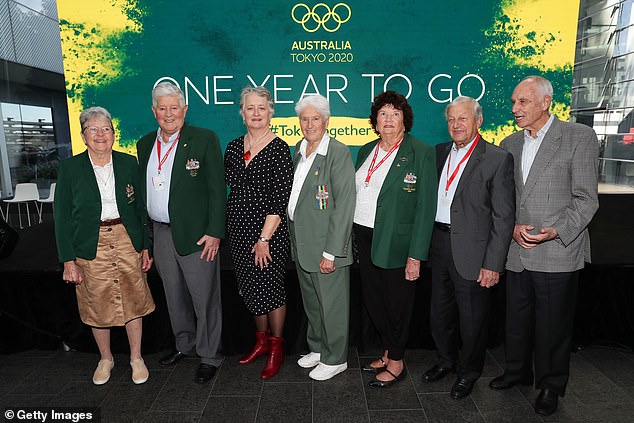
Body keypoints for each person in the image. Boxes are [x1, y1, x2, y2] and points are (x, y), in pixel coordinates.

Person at [490, 76, 599, 416]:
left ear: (545, 103)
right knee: (516, 320)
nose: (514, 109)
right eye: (513, 102)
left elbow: (586, 200)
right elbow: (504, 199)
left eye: (522, 102)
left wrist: (554, 231)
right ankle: (517, 372)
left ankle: (551, 386)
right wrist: (511, 229)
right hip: (517, 250)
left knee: (553, 326)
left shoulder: (578, 137)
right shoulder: (509, 143)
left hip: (557, 250)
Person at [55, 106, 155, 386]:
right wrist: (68, 260)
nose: (101, 135)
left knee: (134, 299)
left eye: (106, 129)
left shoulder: (128, 163)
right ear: (83, 135)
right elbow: (61, 217)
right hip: (90, 243)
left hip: (127, 237)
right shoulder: (70, 168)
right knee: (96, 301)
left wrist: (145, 245)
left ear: (114, 134)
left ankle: (136, 358)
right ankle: (106, 359)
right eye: (94, 129)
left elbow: (140, 209)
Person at [423, 96, 515, 399]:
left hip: (474, 252)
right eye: (451, 120)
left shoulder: (496, 158)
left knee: (472, 319)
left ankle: (470, 371)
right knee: (440, 313)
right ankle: (445, 361)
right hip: (438, 243)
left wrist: (493, 264)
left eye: (462, 119)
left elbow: (503, 218)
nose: (455, 125)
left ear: (478, 121)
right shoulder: (438, 153)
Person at [136, 82, 226, 384]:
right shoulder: (145, 143)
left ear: (185, 109)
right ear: (153, 111)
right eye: (162, 108)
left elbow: (217, 190)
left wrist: (215, 232)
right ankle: (184, 346)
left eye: (174, 107)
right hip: (161, 232)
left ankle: (210, 354)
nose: (168, 113)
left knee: (205, 298)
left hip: (199, 234)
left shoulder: (204, 139)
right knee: (173, 297)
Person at [353, 90, 436, 387]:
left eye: (395, 114)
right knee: (375, 302)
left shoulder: (420, 152)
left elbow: (426, 209)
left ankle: (397, 361)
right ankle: (388, 350)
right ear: (375, 121)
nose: (388, 119)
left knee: (397, 304)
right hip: (365, 238)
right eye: (383, 114)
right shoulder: (366, 151)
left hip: (398, 243)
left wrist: (416, 255)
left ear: (405, 120)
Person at [225, 86, 293, 379]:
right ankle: (260, 342)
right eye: (250, 108)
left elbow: (280, 199)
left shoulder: (279, 148)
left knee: (271, 290)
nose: (255, 113)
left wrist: (264, 239)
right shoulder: (231, 147)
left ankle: (276, 348)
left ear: (270, 112)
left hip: (269, 234)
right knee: (250, 289)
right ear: (242, 112)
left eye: (261, 108)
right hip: (238, 232)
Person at [288, 95, 356, 381]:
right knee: (313, 303)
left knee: (332, 306)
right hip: (302, 244)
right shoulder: (299, 150)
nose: (309, 124)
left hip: (326, 247)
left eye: (316, 118)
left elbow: (344, 205)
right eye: (305, 119)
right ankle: (318, 348)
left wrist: (332, 252)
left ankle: (336, 357)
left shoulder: (338, 152)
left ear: (326, 121)